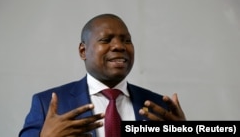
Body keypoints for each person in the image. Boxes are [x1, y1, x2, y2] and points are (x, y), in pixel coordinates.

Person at [19, 13, 186, 137]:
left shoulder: (158, 108)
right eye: (106, 40)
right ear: (83, 51)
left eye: (126, 40)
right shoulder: (46, 104)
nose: (119, 47)